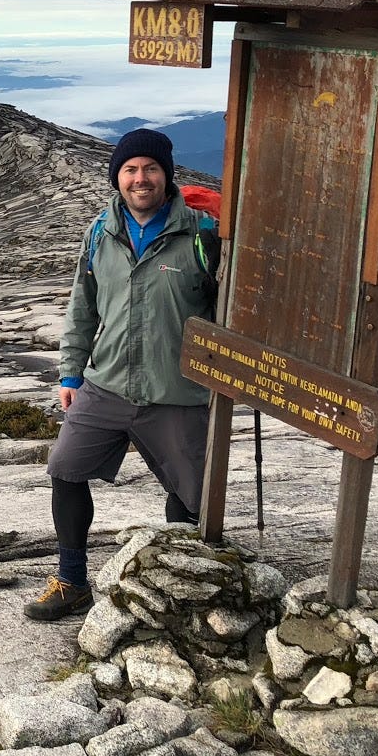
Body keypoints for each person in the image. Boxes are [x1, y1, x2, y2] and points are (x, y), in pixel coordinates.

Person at [25, 128, 219, 621]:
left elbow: (232, 308)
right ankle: (71, 581)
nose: (140, 178)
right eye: (130, 169)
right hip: (106, 383)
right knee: (65, 471)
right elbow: (82, 307)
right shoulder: (100, 232)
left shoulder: (201, 234)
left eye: (150, 169)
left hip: (177, 390)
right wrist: (71, 373)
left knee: (191, 496)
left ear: (166, 175)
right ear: (117, 177)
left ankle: (185, 586)